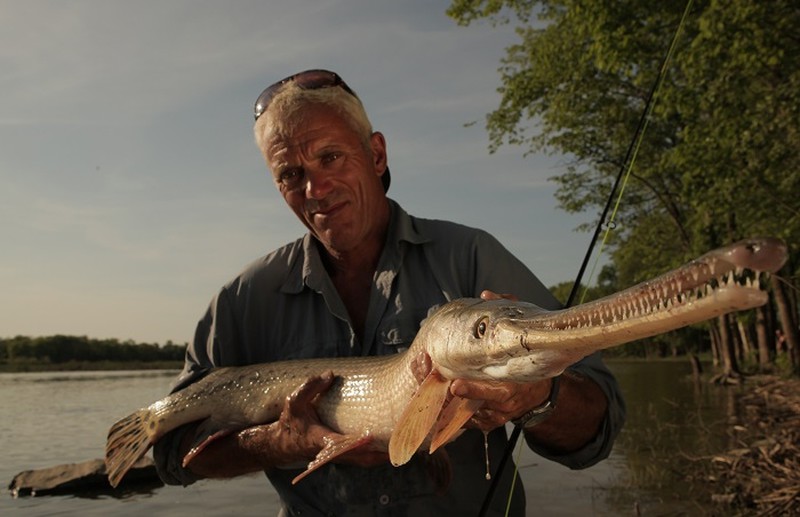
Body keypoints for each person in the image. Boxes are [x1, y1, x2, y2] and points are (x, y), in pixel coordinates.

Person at [154, 69, 626, 516]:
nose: (315, 189)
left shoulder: (470, 256)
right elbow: (172, 452)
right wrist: (276, 443)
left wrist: (538, 396)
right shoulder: (244, 300)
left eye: (330, 156)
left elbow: (599, 425)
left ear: (376, 154)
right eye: (290, 175)